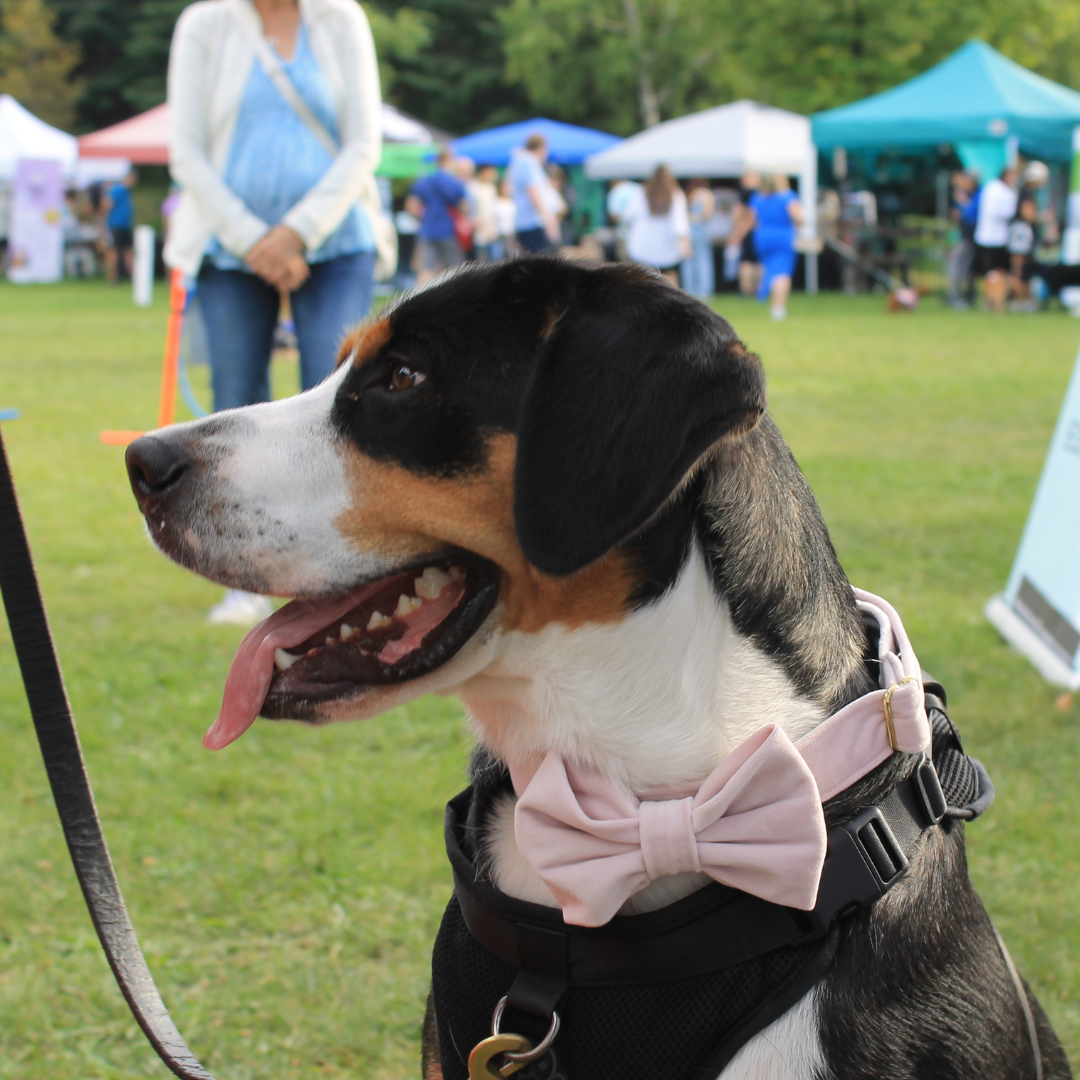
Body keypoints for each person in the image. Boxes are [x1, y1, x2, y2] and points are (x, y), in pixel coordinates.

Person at [166, 0, 382, 626]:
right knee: (233, 401)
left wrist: (297, 233)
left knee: (344, 404)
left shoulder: (340, 19)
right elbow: (188, 152)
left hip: (336, 242)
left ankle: (341, 567)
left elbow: (363, 142)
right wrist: (252, 240)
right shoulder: (204, 25)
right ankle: (238, 575)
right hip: (231, 248)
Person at [406, 148, 468, 283]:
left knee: (426, 269)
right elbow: (464, 207)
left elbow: (411, 206)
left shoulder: (424, 181)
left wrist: (422, 218)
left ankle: (419, 299)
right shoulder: (454, 182)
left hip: (428, 230)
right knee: (455, 269)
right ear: (449, 161)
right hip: (448, 230)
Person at [745, 173, 801, 320]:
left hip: (762, 237)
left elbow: (751, 219)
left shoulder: (757, 197)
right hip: (783, 236)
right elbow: (798, 217)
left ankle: (762, 293)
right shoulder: (787, 196)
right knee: (782, 272)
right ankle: (778, 307)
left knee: (768, 267)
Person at [623, 164, 690, 286]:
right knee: (670, 277)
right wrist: (685, 242)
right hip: (667, 247)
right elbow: (679, 223)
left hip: (642, 246)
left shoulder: (641, 193)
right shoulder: (675, 194)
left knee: (645, 278)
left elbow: (627, 216)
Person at [974, 163, 1019, 306]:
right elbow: (1002, 212)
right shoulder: (999, 190)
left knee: (992, 273)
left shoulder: (992, 187)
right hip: (994, 237)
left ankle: (992, 299)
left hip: (992, 236)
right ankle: (994, 299)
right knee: (995, 273)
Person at [508, 134, 560, 253]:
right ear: (542, 148)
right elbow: (533, 192)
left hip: (526, 223)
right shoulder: (528, 162)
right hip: (533, 223)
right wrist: (548, 219)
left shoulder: (520, 161)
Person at [725, 170, 762, 297]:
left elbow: (739, 214)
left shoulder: (746, 195)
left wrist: (737, 233)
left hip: (748, 231)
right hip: (755, 232)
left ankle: (747, 291)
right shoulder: (758, 194)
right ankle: (756, 290)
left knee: (747, 261)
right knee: (755, 261)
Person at [946, 171, 980, 309]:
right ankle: (956, 296)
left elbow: (971, 215)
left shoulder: (977, 195)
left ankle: (957, 296)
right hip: (964, 236)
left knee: (959, 267)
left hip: (969, 237)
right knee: (959, 267)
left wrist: (963, 203)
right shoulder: (969, 194)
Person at [681, 179, 715, 297]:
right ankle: (703, 290)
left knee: (691, 262)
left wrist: (691, 217)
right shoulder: (706, 194)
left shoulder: (692, 194)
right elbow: (708, 214)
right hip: (699, 231)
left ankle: (692, 289)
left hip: (693, 230)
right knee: (702, 261)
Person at [103, 169, 137, 283]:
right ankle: (112, 277)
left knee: (128, 251)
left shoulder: (127, 191)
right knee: (114, 251)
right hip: (115, 225)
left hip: (125, 226)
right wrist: (104, 222)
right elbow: (107, 204)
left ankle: (133, 277)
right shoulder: (118, 189)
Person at [470, 164, 500, 262]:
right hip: (480, 233)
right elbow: (474, 212)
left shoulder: (491, 188)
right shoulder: (474, 188)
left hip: (493, 231)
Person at [606, 178, 642, 261]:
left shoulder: (616, 191)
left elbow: (613, 217)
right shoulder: (638, 188)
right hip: (641, 235)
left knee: (626, 265)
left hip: (625, 235)